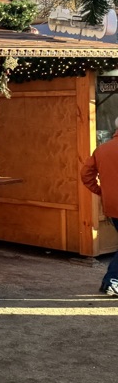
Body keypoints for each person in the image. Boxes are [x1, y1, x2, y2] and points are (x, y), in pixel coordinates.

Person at [79, 115, 118, 296]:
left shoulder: (102, 149)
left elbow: (86, 174)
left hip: (112, 205)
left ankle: (109, 281)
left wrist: (102, 191)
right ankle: (112, 280)